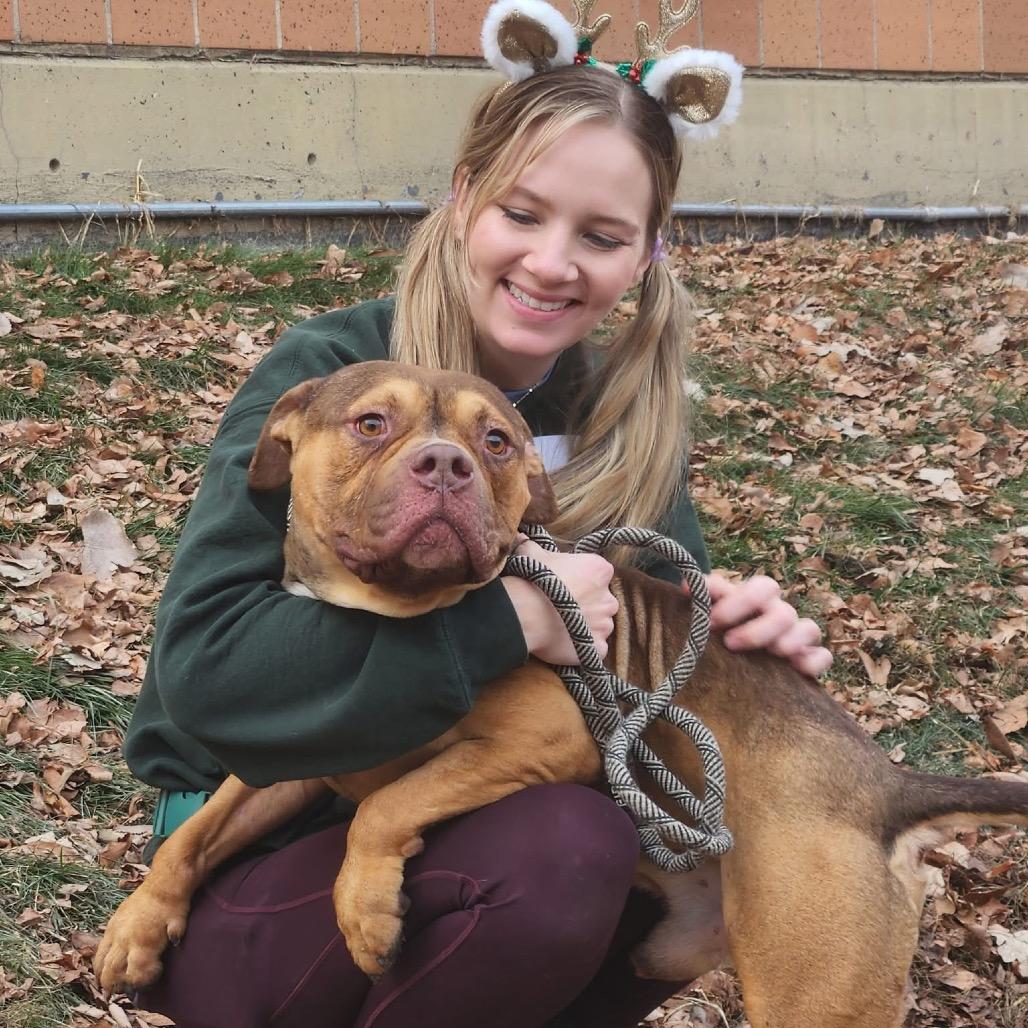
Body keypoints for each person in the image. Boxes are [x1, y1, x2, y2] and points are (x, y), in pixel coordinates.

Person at [121, 7, 832, 1027]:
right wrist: (509, 622)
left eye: (599, 235)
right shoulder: (329, 375)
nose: (550, 262)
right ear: (462, 201)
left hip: (502, 864)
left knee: (611, 844)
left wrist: (741, 645)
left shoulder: (622, 431)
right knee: (562, 848)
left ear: (645, 255)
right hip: (266, 870)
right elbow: (205, 675)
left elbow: (654, 724)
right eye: (520, 213)